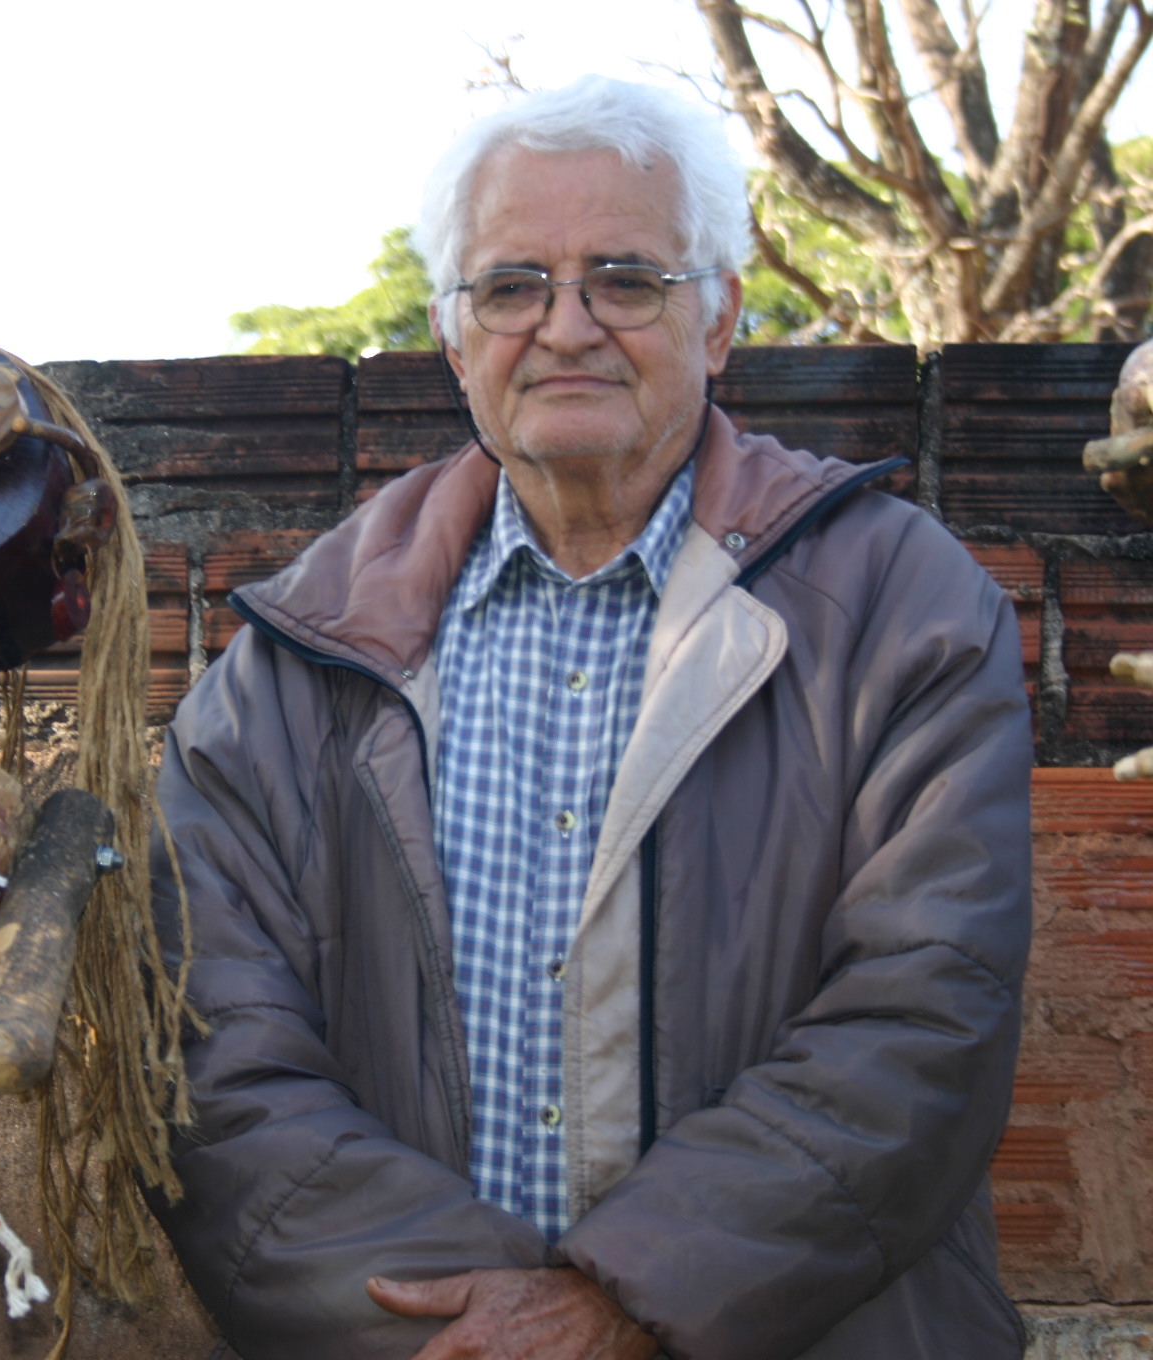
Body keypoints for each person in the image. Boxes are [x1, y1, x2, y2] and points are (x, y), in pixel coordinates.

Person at [147, 76, 1032, 1360]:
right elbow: (218, 1065)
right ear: (454, 336)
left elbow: (923, 1014)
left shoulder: (899, 604)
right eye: (512, 286)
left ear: (720, 317)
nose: (564, 326)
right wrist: (485, 1331)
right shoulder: (289, 665)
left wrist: (627, 1302)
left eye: (624, 279)